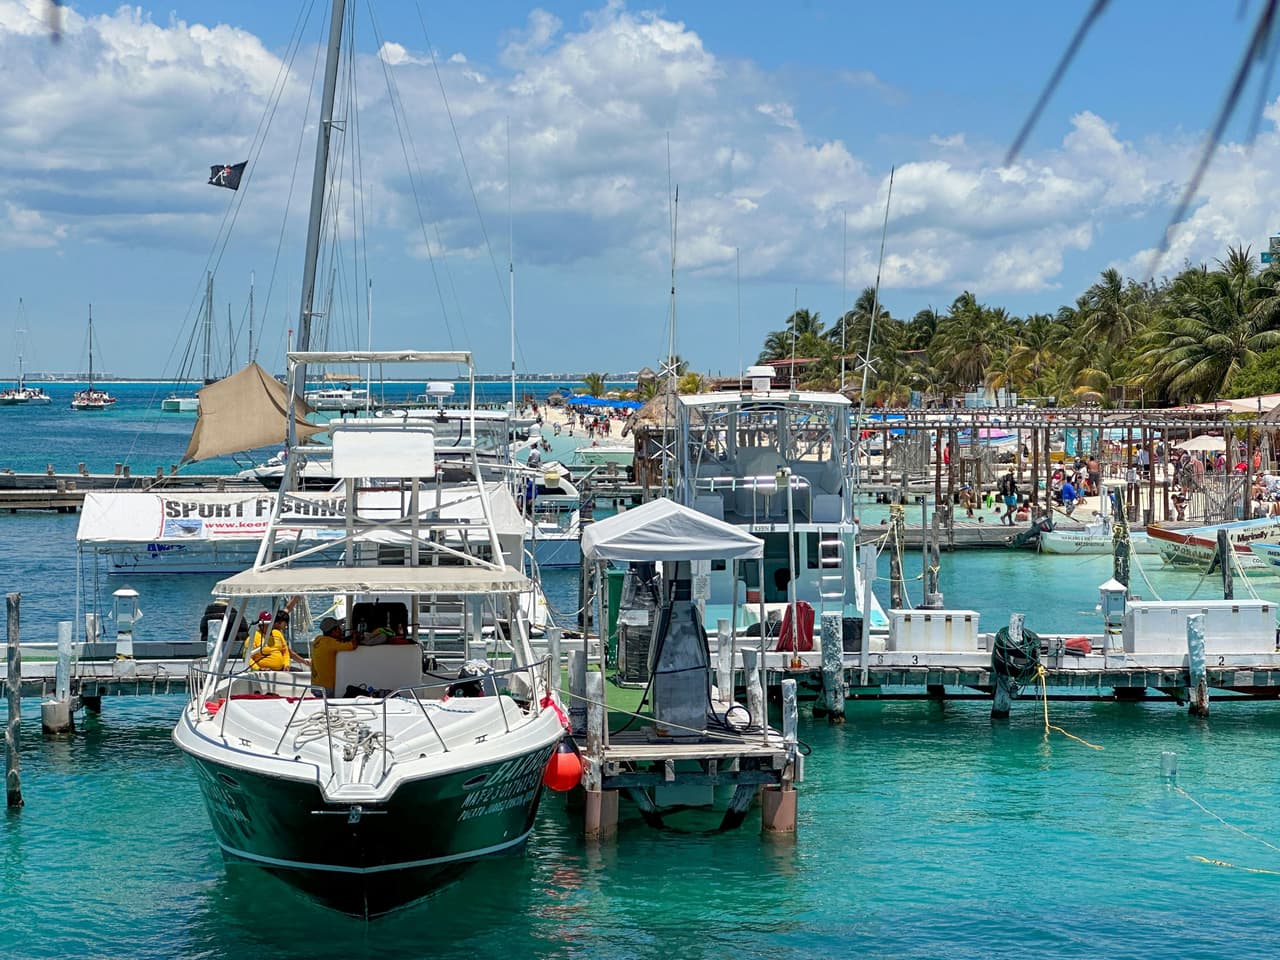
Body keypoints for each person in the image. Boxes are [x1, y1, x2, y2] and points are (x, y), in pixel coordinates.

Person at [309, 616, 356, 694]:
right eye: (339, 628)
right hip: (326, 687)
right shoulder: (331, 643)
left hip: (315, 684)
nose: (341, 630)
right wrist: (355, 636)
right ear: (334, 631)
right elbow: (353, 645)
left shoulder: (319, 640)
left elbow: (335, 643)